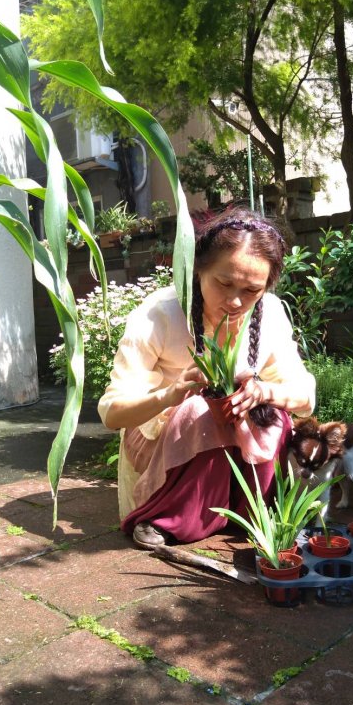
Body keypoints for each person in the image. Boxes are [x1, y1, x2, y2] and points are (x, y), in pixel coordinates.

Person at [97, 206, 316, 546]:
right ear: (198, 269)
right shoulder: (159, 314)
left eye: (251, 290)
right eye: (224, 283)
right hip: (166, 442)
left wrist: (263, 392)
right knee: (200, 409)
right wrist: (170, 395)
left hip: (235, 439)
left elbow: (304, 397)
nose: (235, 302)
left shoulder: (270, 314)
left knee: (269, 414)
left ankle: (252, 508)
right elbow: (112, 414)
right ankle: (171, 516)